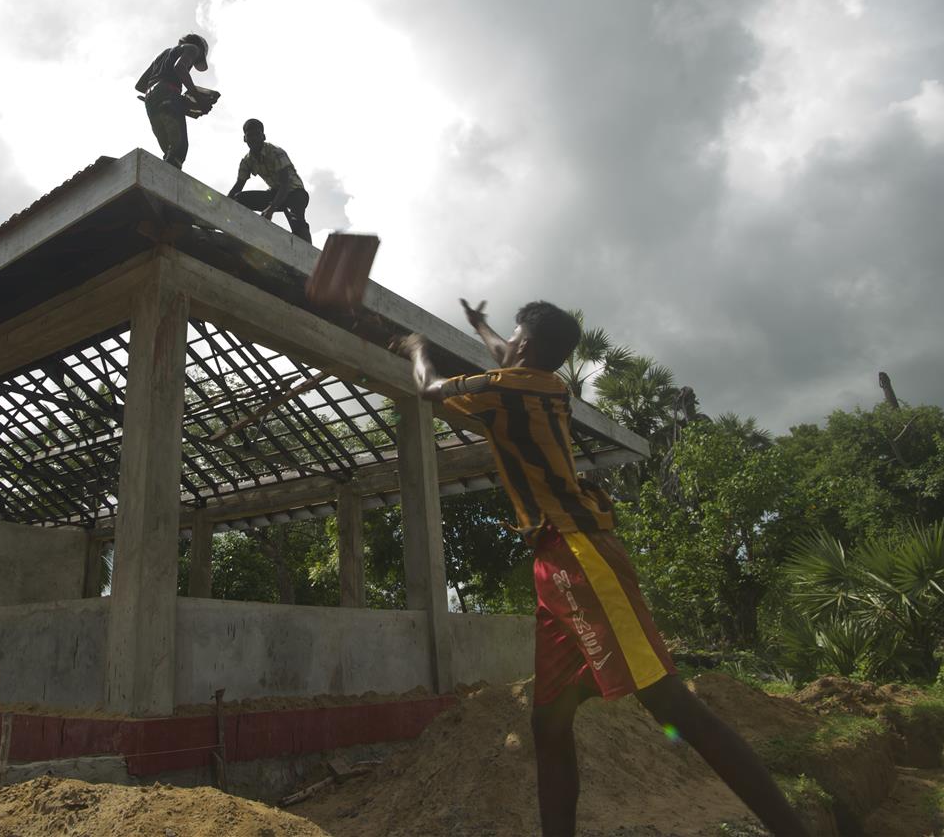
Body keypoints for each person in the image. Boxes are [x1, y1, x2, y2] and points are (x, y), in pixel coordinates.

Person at [396, 302, 808, 837]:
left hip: (580, 556)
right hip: (554, 561)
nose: (509, 344)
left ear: (525, 349)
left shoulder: (511, 386)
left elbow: (430, 389)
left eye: (514, 338)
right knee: (548, 723)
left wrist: (416, 349)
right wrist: (479, 324)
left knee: (670, 705)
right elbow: (505, 351)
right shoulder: (544, 382)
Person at [135, 32, 218, 169]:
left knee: (169, 150)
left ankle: (162, 177)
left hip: (150, 100)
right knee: (179, 149)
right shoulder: (193, 48)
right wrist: (198, 99)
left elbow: (140, 86)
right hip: (168, 92)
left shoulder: (162, 56)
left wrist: (162, 98)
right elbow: (180, 67)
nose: (192, 64)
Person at [227, 119, 311, 242]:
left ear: (263, 136)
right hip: (275, 193)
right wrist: (223, 204)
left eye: (257, 134)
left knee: (296, 220)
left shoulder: (276, 152)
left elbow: (285, 184)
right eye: (250, 135)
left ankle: (308, 254)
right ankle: (244, 234)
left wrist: (271, 209)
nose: (254, 138)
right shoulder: (247, 161)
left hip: (295, 193)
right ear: (245, 139)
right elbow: (238, 186)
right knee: (238, 198)